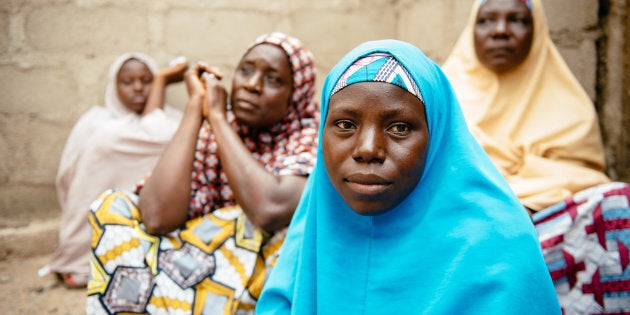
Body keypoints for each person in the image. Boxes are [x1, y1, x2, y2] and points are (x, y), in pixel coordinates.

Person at [256, 39, 560, 314]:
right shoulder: (316, 225)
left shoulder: (498, 249)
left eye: (399, 128)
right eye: (346, 124)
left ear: (437, 136)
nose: (367, 149)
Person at [86, 32, 318, 314]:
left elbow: (270, 209)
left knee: (297, 231)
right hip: (197, 276)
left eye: (273, 79)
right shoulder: (214, 136)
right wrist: (196, 108)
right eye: (246, 70)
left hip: (258, 287)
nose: (252, 85)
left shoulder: (308, 135)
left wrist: (219, 119)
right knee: (112, 206)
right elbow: (156, 217)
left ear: (295, 95)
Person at [442, 0, 630, 313]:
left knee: (619, 202)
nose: (501, 31)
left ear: (537, 30)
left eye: (517, 20)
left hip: (545, 229)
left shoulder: (566, 103)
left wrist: (526, 202)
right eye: (487, 21)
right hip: (466, 229)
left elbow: (583, 177)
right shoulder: (443, 101)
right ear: (471, 31)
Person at [41, 53, 186, 287]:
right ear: (113, 86)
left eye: (148, 81)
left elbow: (155, 129)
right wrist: (162, 79)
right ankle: (80, 259)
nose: (138, 88)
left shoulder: (172, 122)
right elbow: (69, 179)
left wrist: (162, 79)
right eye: (127, 82)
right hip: (86, 231)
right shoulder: (97, 124)